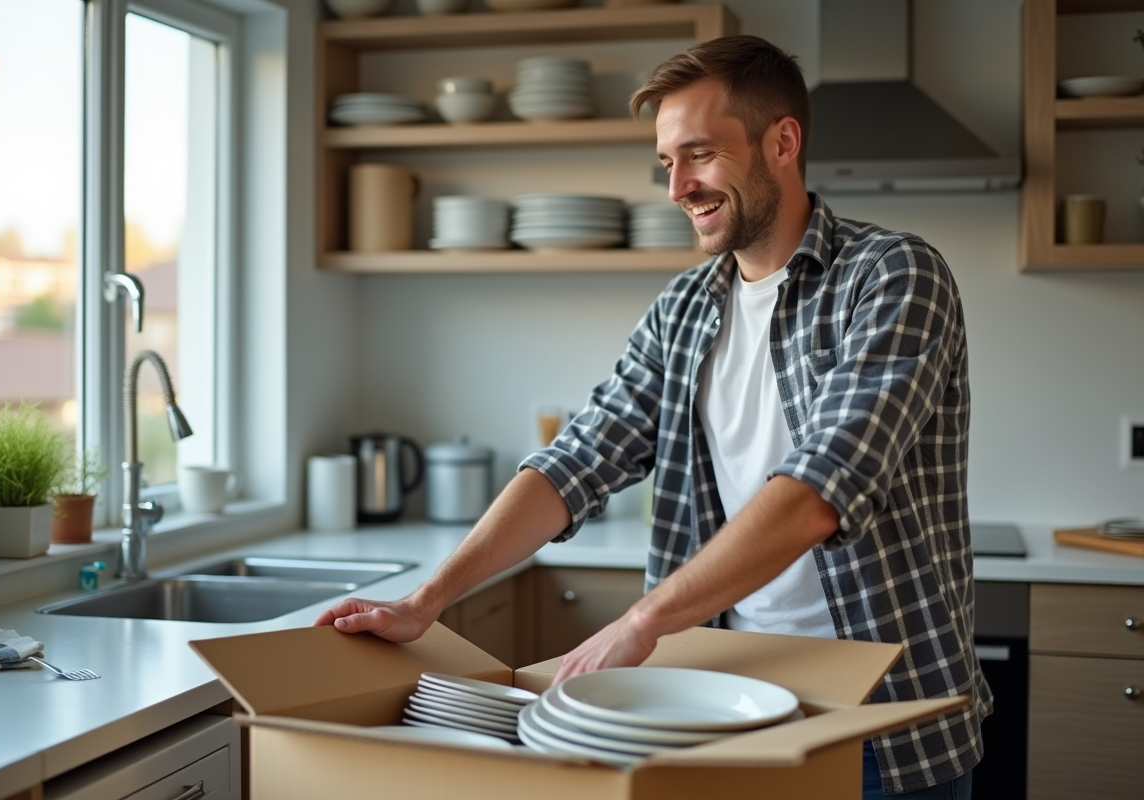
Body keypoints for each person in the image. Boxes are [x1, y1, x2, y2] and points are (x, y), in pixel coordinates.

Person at [314, 34, 988, 799]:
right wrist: (423, 602)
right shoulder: (684, 309)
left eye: (698, 154)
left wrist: (644, 621)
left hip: (879, 723)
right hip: (720, 703)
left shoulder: (893, 275)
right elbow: (576, 461)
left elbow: (817, 491)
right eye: (668, 162)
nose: (678, 188)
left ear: (783, 143)